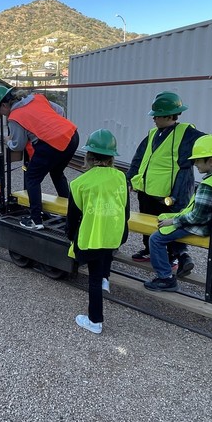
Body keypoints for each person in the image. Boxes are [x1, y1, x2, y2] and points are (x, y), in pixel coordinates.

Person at [143, 135, 212, 292]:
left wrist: (174, 222)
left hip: (206, 226)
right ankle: (181, 255)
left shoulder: (208, 185)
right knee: (166, 222)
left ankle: (166, 278)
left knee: (156, 239)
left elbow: (197, 217)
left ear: (211, 161)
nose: (195, 164)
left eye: (198, 160)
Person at [127, 91, 203, 276]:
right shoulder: (153, 133)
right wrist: (130, 178)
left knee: (170, 225)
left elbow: (208, 143)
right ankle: (150, 250)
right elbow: (139, 157)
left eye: (157, 116)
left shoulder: (186, 133)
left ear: (170, 115)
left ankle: (176, 255)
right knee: (147, 223)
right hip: (147, 190)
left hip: (168, 193)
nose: (154, 119)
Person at [0, 85, 79, 230]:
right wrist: (54, 128)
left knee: (32, 178)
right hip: (72, 135)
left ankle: (36, 221)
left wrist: (7, 141)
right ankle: (70, 212)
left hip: (51, 143)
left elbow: (18, 145)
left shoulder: (15, 116)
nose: (1, 115)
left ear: (4, 105)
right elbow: (60, 111)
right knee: (56, 173)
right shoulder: (38, 98)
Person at [66, 129, 129, 335]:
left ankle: (95, 321)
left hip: (92, 237)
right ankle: (105, 279)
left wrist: (71, 237)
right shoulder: (121, 177)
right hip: (114, 234)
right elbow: (125, 210)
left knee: (92, 279)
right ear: (112, 157)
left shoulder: (79, 183)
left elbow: (73, 217)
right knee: (106, 257)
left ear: (88, 156)